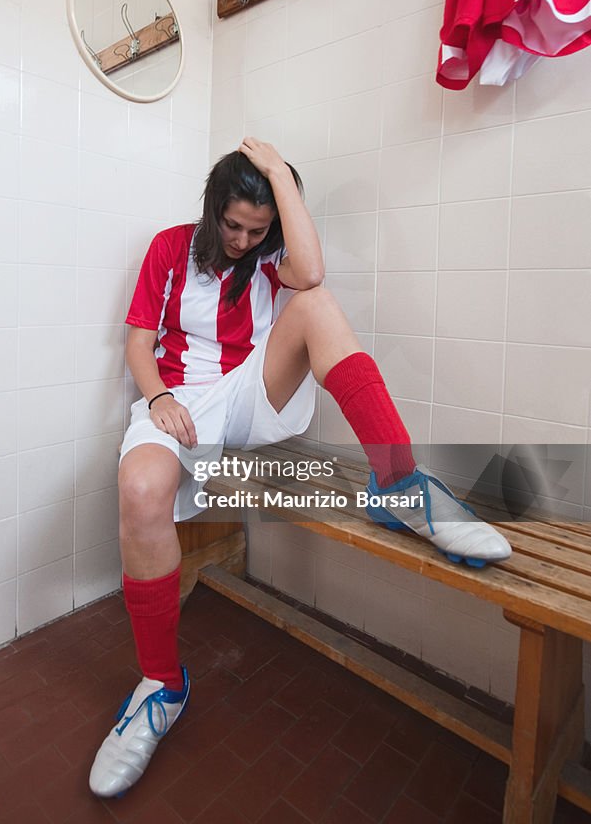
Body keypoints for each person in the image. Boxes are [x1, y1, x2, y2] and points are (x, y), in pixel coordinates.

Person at [89, 137, 511, 799]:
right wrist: (160, 398)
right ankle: (160, 687)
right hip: (175, 399)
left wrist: (281, 176)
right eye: (231, 224)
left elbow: (310, 274)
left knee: (315, 304)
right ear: (210, 211)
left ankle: (399, 486)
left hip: (243, 393)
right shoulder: (170, 247)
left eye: (256, 229)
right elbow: (138, 342)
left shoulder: (272, 258)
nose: (240, 239)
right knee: (138, 488)